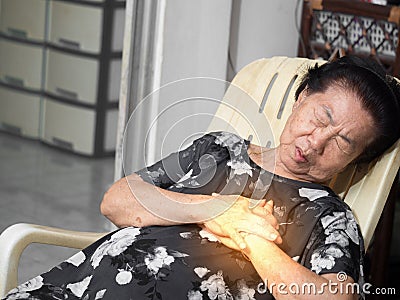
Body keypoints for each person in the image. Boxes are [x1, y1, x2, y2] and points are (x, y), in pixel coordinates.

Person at [3, 56, 400, 300]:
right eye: (321, 117)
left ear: (358, 162)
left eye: (343, 142)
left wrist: (254, 241)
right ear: (302, 98)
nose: (315, 143)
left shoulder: (331, 218)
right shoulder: (220, 149)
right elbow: (118, 201)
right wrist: (218, 211)